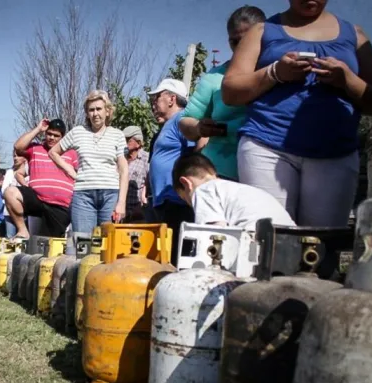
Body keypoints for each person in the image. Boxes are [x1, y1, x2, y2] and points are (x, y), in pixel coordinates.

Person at [222, 0, 372, 227]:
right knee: (268, 244)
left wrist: (347, 80)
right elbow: (230, 91)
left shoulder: (355, 36)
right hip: (266, 147)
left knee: (321, 247)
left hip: (335, 152)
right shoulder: (261, 32)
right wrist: (276, 72)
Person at [179, 6, 266, 181]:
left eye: (247, 39)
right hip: (221, 173)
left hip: (268, 172)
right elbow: (185, 121)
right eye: (234, 41)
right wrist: (198, 127)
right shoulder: (214, 76)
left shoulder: (280, 70)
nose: (241, 47)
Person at [49, 90, 128, 234]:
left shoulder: (118, 135)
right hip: (83, 196)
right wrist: (69, 170)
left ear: (107, 111)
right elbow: (53, 152)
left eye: (99, 109)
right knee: (83, 243)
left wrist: (121, 202)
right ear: (87, 113)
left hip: (110, 195)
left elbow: (123, 170)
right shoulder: (78, 132)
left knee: (108, 244)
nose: (95, 114)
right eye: (91, 110)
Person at [172, 152, 296, 231]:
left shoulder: (203, 191)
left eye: (186, 199)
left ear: (186, 183)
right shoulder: (240, 190)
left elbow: (212, 234)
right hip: (291, 242)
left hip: (258, 246)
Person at [147, 78, 195, 265]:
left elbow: (194, 150)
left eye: (157, 97)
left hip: (177, 200)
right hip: (165, 201)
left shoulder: (181, 120)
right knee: (165, 256)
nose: (154, 103)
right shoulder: (168, 125)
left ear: (171, 99)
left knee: (175, 257)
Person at [5, 118, 78, 239]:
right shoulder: (35, 149)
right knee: (10, 193)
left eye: (56, 135)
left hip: (60, 206)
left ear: (62, 137)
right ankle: (22, 231)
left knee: (51, 244)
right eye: (49, 134)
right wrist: (38, 129)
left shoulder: (71, 153)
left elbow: (79, 174)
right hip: (37, 199)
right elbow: (18, 147)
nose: (52, 138)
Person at [123, 126, 149, 222]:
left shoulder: (146, 159)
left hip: (138, 214)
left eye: (128, 140)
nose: (124, 143)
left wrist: (142, 206)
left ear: (138, 143)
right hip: (120, 211)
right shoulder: (120, 159)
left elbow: (149, 186)